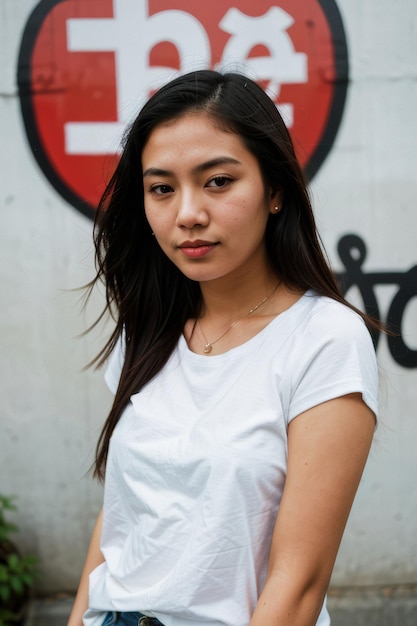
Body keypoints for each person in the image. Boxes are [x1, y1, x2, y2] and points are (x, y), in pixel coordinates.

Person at [68, 70, 378, 626]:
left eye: (217, 181)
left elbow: (299, 584)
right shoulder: (151, 327)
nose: (187, 213)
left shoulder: (324, 339)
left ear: (276, 189)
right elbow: (123, 520)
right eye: (162, 188)